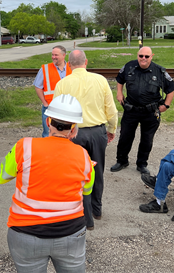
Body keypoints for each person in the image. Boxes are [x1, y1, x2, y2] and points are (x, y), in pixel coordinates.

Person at [0, 94, 94, 273]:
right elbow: (87, 189)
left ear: (48, 121)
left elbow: (3, 176)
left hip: (25, 233)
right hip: (71, 233)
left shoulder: (23, 146)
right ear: (74, 129)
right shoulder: (83, 155)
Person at [54, 50, 118, 230]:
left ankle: (84, 216)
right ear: (86, 62)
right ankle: (97, 210)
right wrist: (111, 129)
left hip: (74, 133)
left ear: (69, 64)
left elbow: (57, 114)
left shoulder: (62, 84)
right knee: (97, 172)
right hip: (98, 133)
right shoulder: (101, 80)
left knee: (76, 175)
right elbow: (111, 110)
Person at [111, 46, 174, 175]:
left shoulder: (159, 71)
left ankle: (142, 164)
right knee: (125, 137)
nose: (143, 59)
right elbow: (120, 79)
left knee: (147, 139)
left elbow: (171, 90)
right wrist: (119, 93)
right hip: (131, 110)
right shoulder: (129, 66)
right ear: (138, 55)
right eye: (141, 56)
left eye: (146, 56)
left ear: (152, 56)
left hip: (150, 112)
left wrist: (166, 105)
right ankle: (122, 161)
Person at [33, 45, 72, 137]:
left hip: (68, 108)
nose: (53, 57)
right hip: (50, 108)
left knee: (67, 135)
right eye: (52, 55)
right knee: (48, 134)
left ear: (64, 55)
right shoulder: (45, 69)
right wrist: (44, 103)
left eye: (56, 55)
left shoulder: (72, 68)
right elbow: (38, 87)